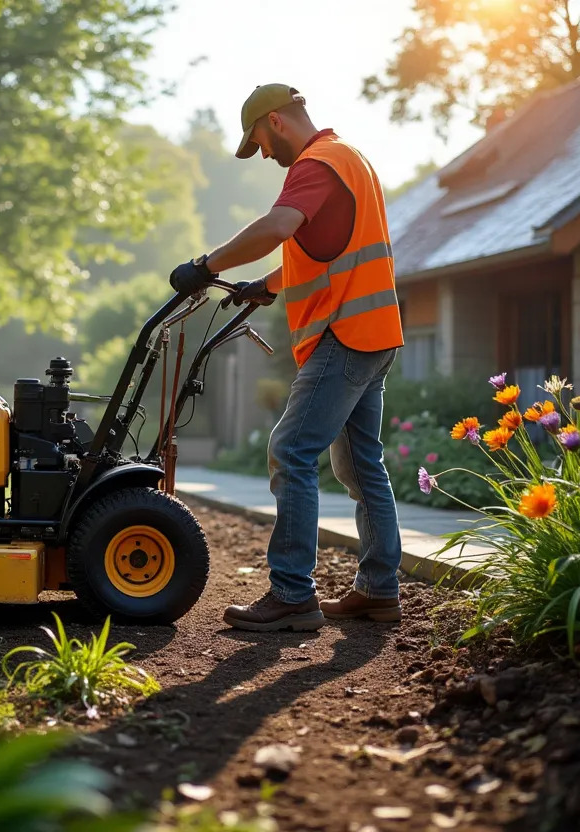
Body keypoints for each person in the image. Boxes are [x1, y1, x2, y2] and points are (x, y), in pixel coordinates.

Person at [168, 84, 405, 632]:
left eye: (259, 142)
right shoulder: (352, 159)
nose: (265, 156)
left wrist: (206, 265)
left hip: (342, 332)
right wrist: (268, 284)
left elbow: (278, 227)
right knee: (359, 463)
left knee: (290, 450)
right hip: (375, 330)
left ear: (274, 121)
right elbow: (325, 248)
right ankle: (378, 590)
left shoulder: (315, 163)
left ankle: (293, 593)